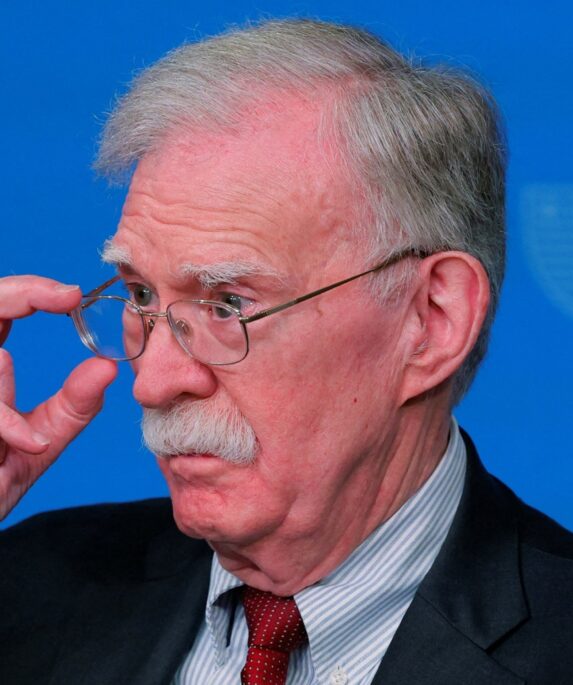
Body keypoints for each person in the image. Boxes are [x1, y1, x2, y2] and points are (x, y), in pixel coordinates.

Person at [1, 18, 572, 685]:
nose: (152, 382)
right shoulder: (28, 589)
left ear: (431, 320)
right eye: (141, 295)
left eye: (226, 304)